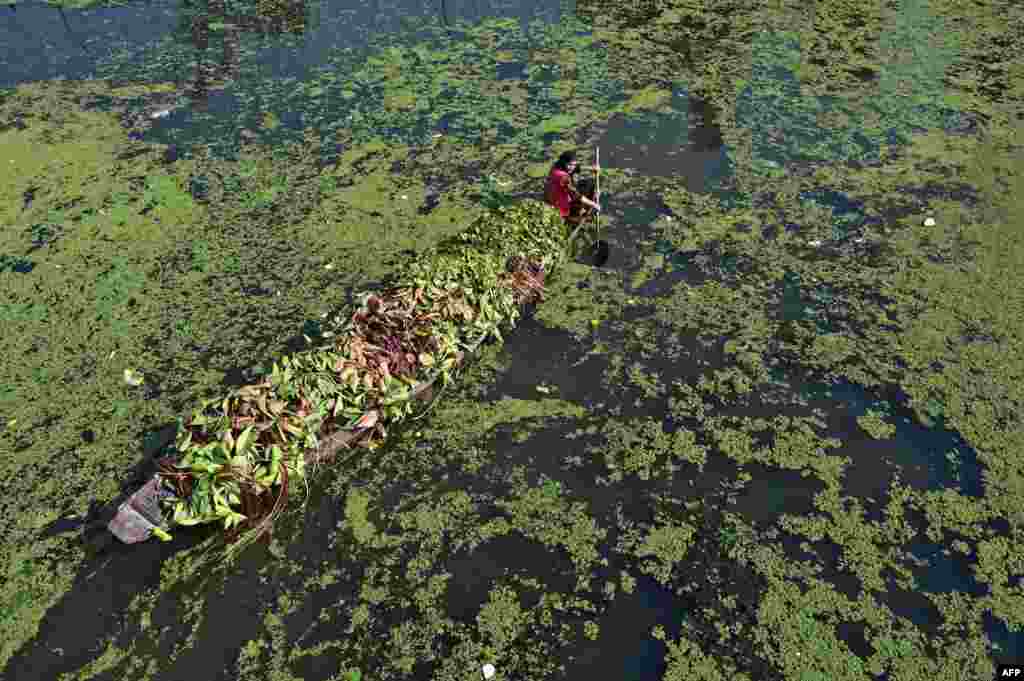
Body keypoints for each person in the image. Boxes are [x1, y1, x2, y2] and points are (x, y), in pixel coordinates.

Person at [544, 150, 601, 223]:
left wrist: (591, 168)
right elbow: (576, 196)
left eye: (574, 165)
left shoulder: (557, 166)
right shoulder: (563, 177)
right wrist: (594, 204)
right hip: (561, 209)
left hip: (560, 195)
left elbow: (575, 168)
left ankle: (583, 208)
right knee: (589, 218)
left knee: (589, 183)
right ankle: (580, 212)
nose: (572, 167)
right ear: (564, 162)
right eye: (570, 165)